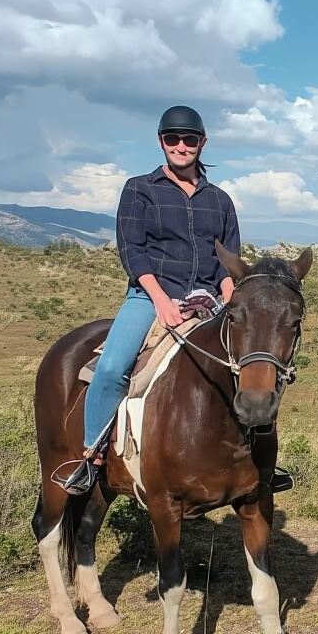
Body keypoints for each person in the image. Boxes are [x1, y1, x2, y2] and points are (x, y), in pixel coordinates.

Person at [60, 105, 240, 494]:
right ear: (161, 142)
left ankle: (255, 461)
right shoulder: (139, 189)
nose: (181, 146)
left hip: (207, 299)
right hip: (150, 295)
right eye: (172, 138)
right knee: (112, 369)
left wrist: (232, 304)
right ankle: (91, 457)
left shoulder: (220, 201)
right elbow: (133, 251)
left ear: (203, 143)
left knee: (251, 367)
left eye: (189, 139)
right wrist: (160, 300)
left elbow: (228, 263)